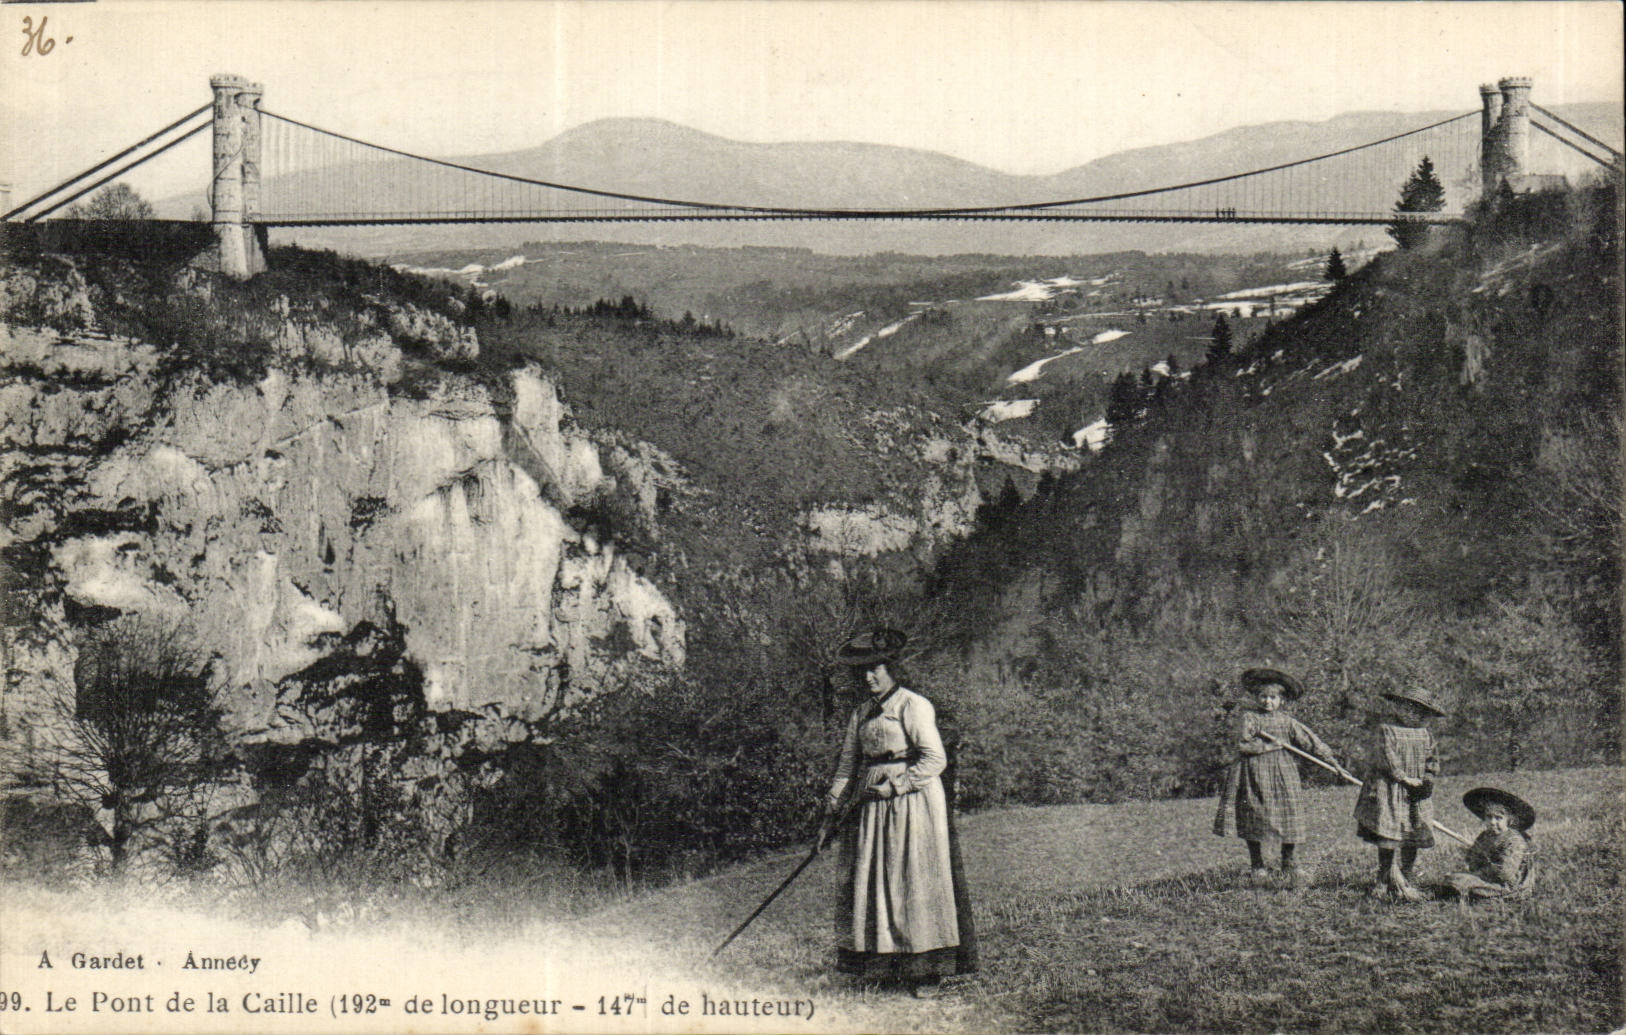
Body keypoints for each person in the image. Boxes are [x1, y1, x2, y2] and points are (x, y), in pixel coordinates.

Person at [820, 628, 976, 998]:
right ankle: (887, 967)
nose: (869, 677)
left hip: (913, 804)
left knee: (911, 879)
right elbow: (846, 765)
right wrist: (830, 813)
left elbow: (935, 759)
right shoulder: (860, 714)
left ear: (892, 669)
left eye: (875, 669)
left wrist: (896, 785)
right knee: (875, 882)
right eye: (863, 672)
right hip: (871, 808)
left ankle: (925, 972)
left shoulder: (913, 705)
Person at [1212, 668, 1341, 888]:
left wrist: (1333, 762)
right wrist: (1268, 746)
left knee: (1290, 814)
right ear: (1256, 697)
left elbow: (1311, 741)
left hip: (1283, 774)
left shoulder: (1287, 721)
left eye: (1273, 698)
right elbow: (1243, 745)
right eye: (1263, 697)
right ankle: (1257, 865)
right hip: (1254, 773)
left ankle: (1289, 862)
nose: (1267, 702)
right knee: (1255, 815)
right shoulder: (1250, 718)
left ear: (1281, 700)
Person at [1352, 687, 1445, 901]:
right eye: (1406, 708)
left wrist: (1428, 779)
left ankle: (1407, 874)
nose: (1410, 714)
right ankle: (1384, 877)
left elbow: (1433, 759)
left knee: (1412, 831)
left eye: (1417, 711)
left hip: (1416, 791)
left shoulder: (1425, 734)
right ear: (1398, 707)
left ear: (1424, 714)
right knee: (1389, 833)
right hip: (1390, 788)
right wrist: (1402, 777)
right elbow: (1387, 756)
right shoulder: (1387, 729)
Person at [1439, 787, 1535, 906]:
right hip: (1485, 879)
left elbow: (1506, 873)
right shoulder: (1484, 836)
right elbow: (1472, 860)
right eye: (1489, 817)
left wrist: (1476, 875)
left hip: (1507, 886)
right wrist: (1473, 859)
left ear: (1509, 820)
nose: (1492, 822)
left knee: (1461, 882)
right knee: (1451, 879)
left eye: (1498, 818)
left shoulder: (1514, 840)